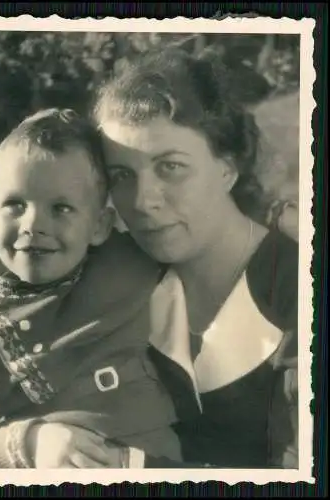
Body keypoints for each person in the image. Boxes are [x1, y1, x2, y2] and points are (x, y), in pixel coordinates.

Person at [90, 47, 299, 469]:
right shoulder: (114, 284)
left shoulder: (299, 287)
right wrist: (26, 439)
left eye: (170, 167)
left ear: (227, 168)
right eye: (122, 175)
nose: (143, 200)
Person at [0, 108, 184, 468]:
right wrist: (27, 443)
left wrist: (283, 220)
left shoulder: (125, 261)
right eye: (15, 205)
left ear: (100, 225)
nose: (33, 224)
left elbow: (195, 229)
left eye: (60, 208)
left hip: (155, 466)